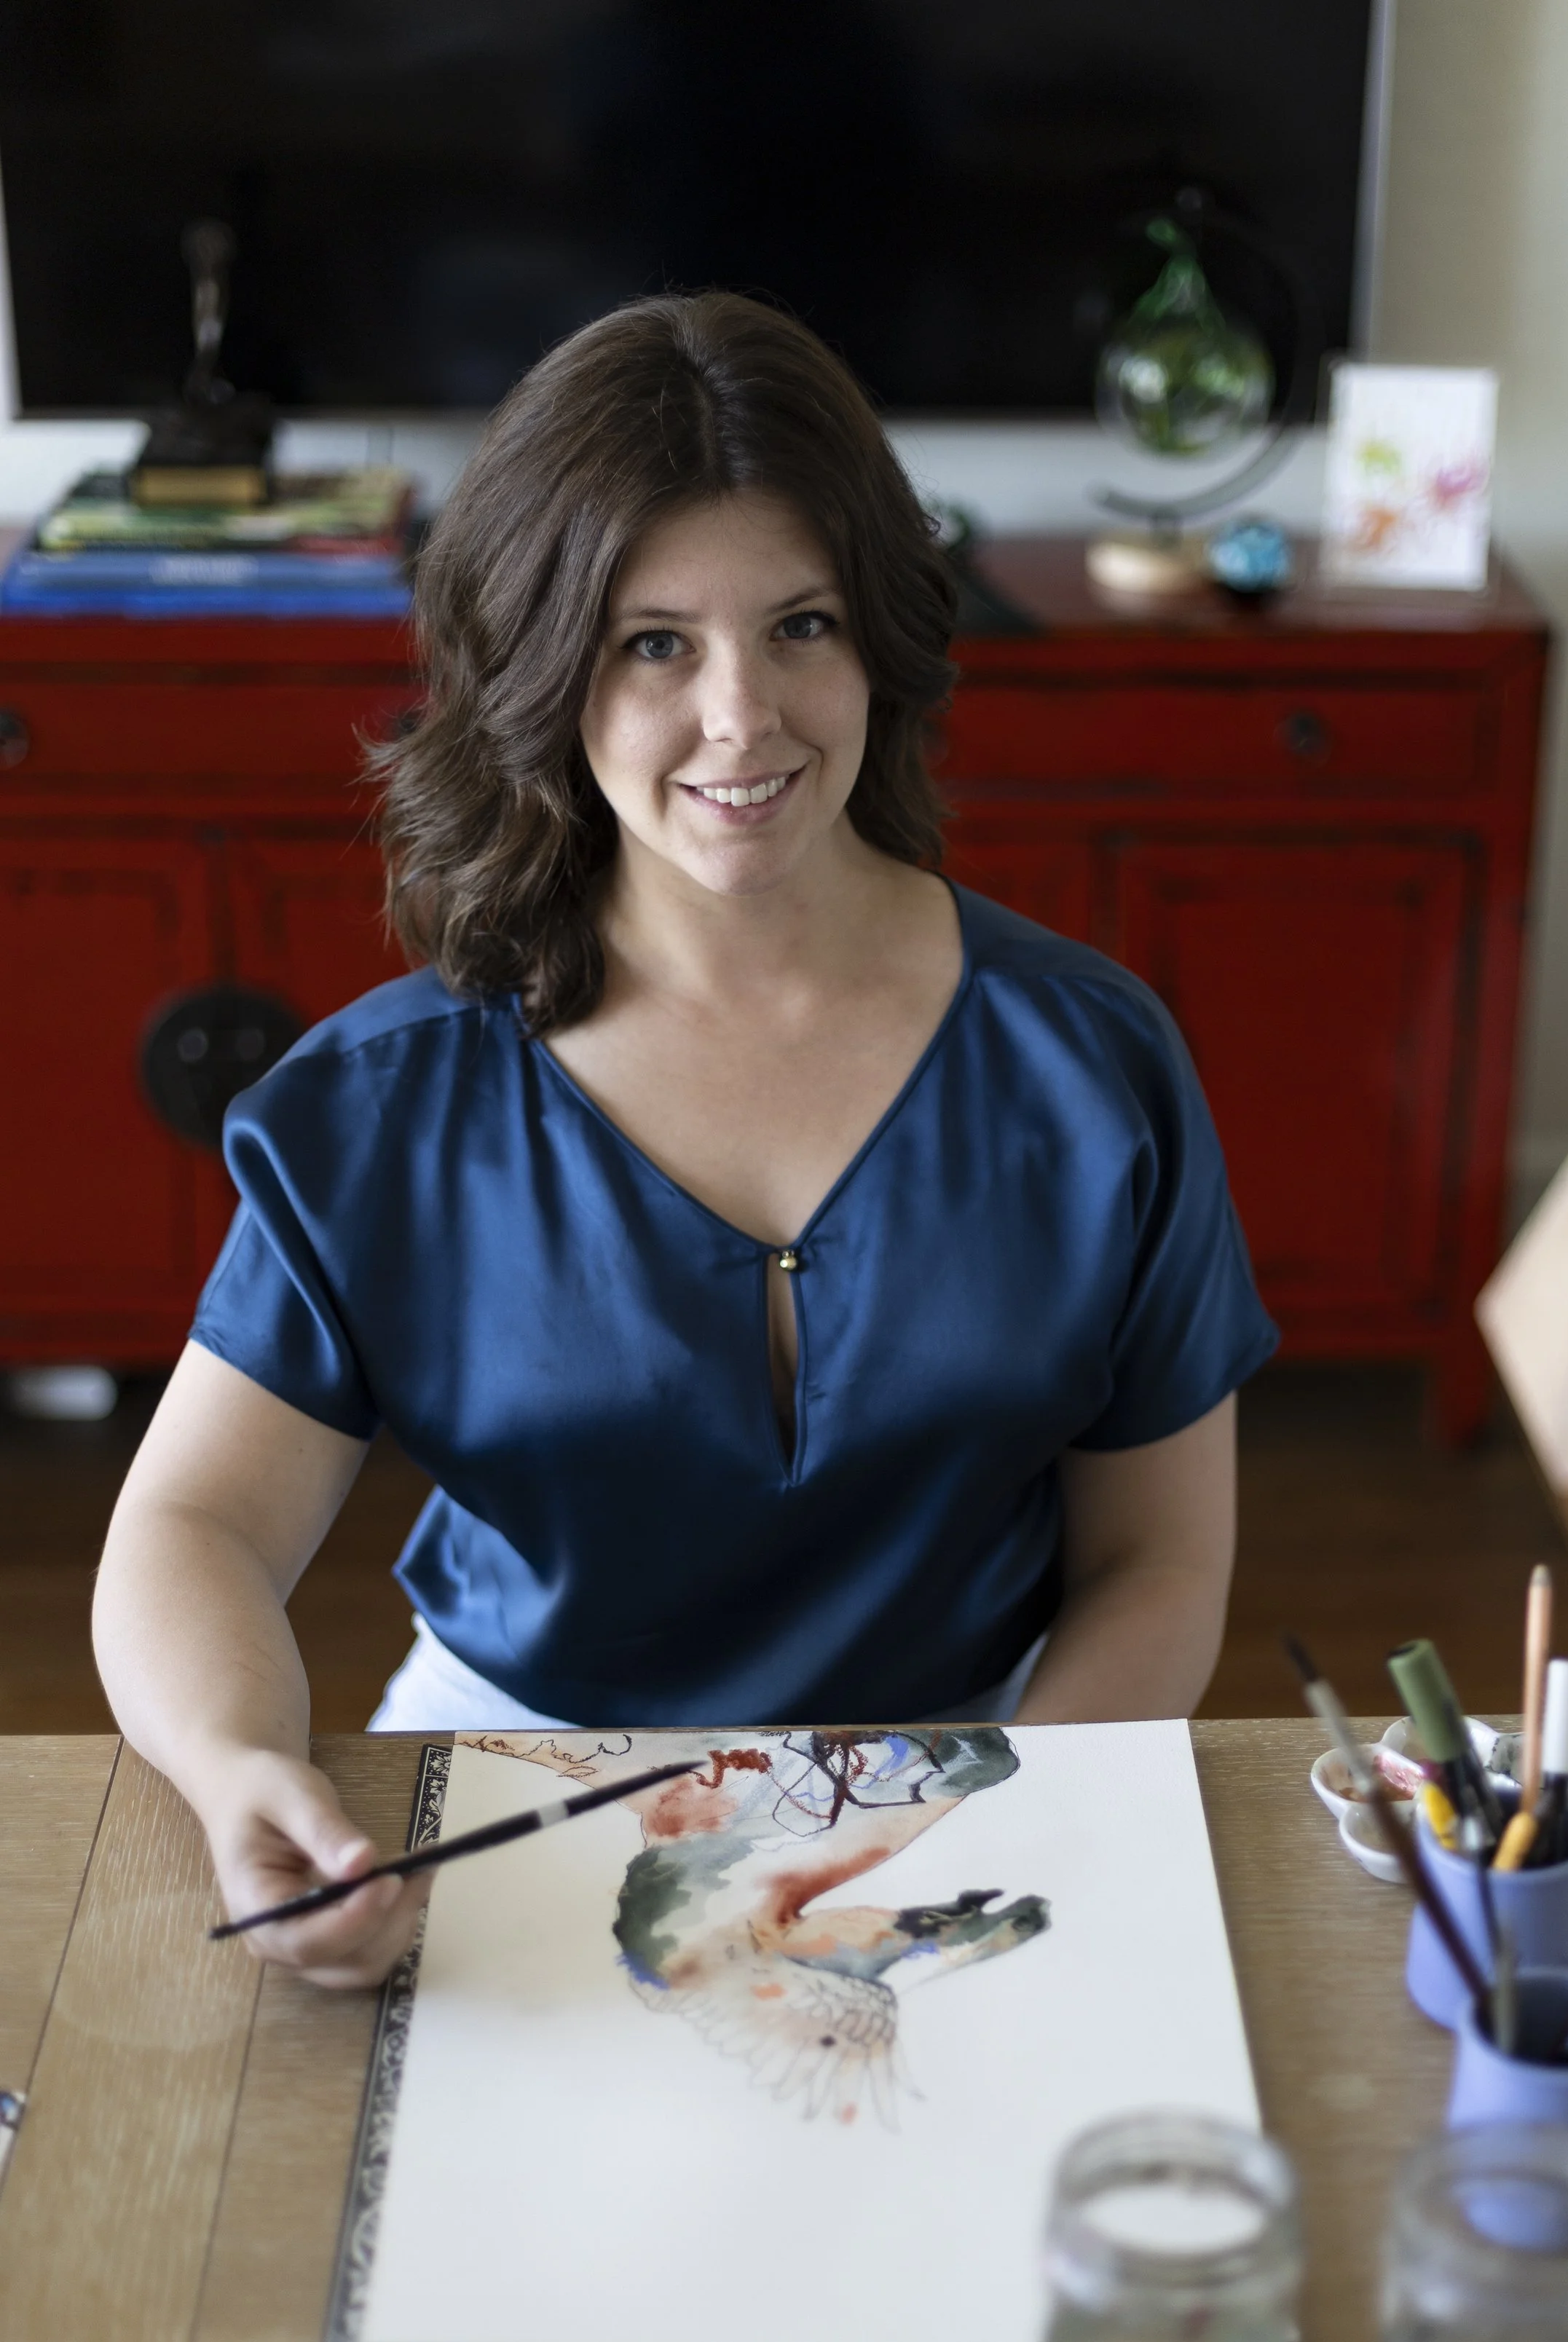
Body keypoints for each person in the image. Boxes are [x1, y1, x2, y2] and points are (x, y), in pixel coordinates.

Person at [92, 293, 1276, 1992]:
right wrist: (235, 1773)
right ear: (543, 666)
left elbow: (1160, 1560)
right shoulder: (387, 1102)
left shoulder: (1095, 1064)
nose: (743, 717)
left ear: (879, 638)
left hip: (978, 1782)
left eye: (799, 625)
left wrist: (964, 1825)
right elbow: (189, 1528)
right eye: (654, 643)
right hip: (508, 1786)